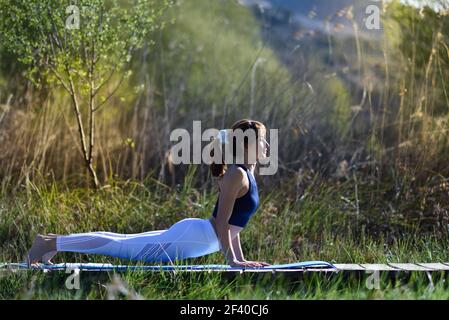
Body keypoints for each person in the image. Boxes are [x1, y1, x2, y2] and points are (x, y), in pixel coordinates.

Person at [26, 119, 271, 268]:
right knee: (120, 246)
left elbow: (232, 228)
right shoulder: (236, 175)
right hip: (195, 237)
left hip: (199, 238)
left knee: (121, 240)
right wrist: (232, 261)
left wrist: (240, 261)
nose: (267, 146)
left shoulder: (245, 174)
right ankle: (48, 243)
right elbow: (222, 223)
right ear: (247, 144)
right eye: (263, 140)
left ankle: (52, 241)